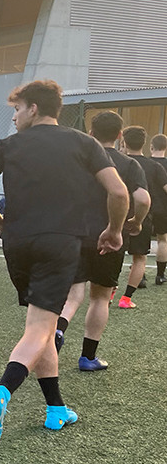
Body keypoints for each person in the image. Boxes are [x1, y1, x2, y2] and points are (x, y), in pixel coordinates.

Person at [0, 80, 127, 442]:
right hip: (59, 244)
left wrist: (0, 224)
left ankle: (56, 408)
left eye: (17, 109)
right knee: (40, 330)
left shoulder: (6, 146)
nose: (14, 117)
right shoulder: (83, 143)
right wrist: (115, 231)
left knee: (40, 321)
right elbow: (119, 191)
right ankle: (2, 391)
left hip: (18, 243)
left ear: (34, 108)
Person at [55, 112, 149, 370]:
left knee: (74, 293)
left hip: (76, 233)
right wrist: (137, 222)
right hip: (110, 236)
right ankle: (88, 357)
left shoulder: (78, 161)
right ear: (120, 135)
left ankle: (58, 331)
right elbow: (142, 199)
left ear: (92, 134)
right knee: (100, 296)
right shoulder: (130, 165)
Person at [118, 126, 167, 303]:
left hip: (117, 214)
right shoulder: (153, 166)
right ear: (145, 143)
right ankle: (126, 298)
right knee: (140, 257)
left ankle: (108, 293)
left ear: (124, 142)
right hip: (142, 216)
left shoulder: (116, 162)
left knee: (113, 253)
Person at [151, 133, 167, 284]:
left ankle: (139, 276)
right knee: (162, 240)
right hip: (163, 208)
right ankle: (160, 276)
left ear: (151, 146)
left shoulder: (144, 163)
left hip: (144, 207)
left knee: (137, 240)